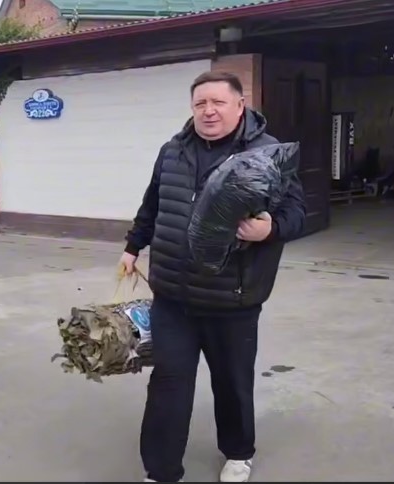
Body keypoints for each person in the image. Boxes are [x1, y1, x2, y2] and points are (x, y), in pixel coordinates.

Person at [119, 71, 307, 483]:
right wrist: (133, 246)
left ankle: (238, 453)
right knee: (168, 384)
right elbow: (153, 204)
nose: (208, 111)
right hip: (172, 296)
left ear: (240, 105)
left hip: (232, 298)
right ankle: (161, 471)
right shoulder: (173, 151)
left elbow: (296, 214)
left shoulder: (266, 154)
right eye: (200, 103)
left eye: (218, 102)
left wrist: (269, 229)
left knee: (232, 383)